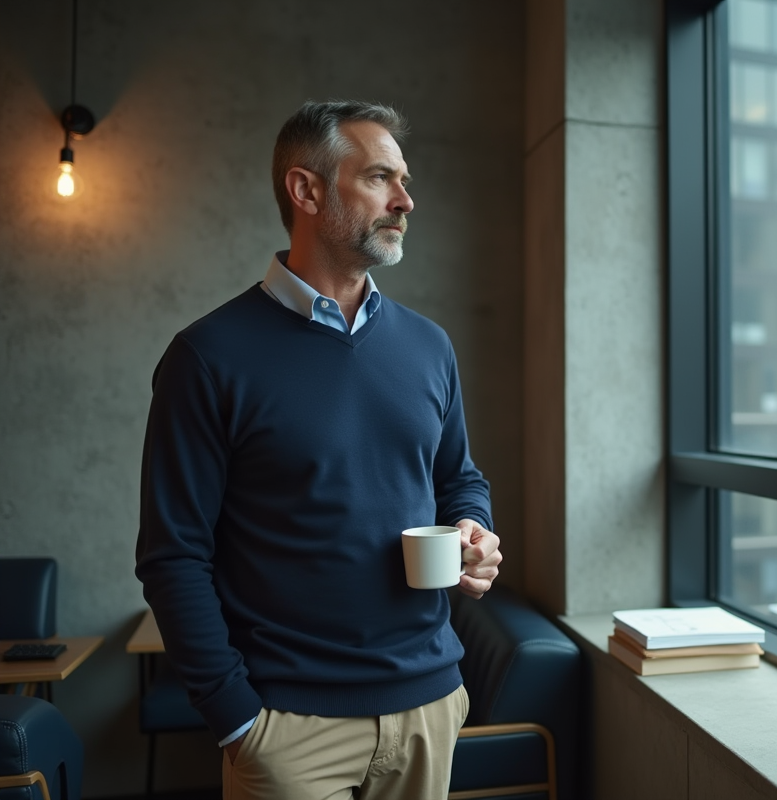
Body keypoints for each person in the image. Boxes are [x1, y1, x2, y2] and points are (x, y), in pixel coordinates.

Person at [135, 99, 502, 800]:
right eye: (379, 178)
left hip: (429, 707)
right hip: (286, 729)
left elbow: (458, 475)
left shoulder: (429, 345)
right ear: (306, 191)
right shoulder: (207, 357)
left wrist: (473, 529)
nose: (406, 200)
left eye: (405, 180)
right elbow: (172, 554)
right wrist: (237, 722)